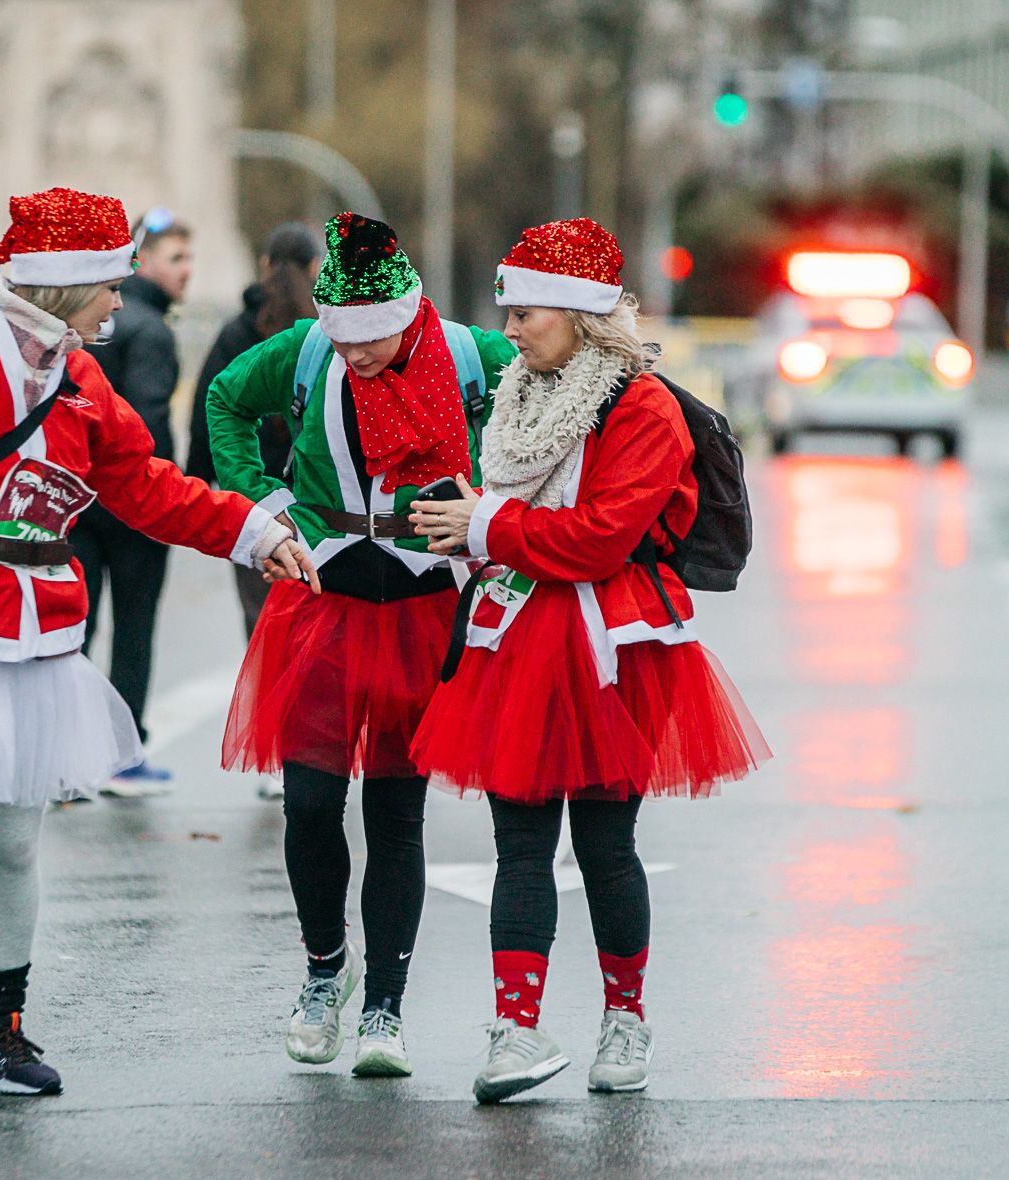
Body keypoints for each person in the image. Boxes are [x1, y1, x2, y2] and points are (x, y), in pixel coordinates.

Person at [0, 187, 317, 1117]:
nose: (121, 301)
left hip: (41, 633)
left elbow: (147, 485)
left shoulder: (80, 378)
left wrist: (249, 530)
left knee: (16, 845)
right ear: (66, 285)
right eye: (110, 285)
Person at [408, 218, 769, 1104]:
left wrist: (489, 526)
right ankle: (516, 1031)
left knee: (608, 846)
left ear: (579, 314)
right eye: (510, 309)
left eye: (528, 309)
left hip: (614, 645)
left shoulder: (645, 408)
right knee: (519, 847)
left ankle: (625, 1019)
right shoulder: (519, 392)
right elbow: (518, 519)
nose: (513, 326)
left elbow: (606, 537)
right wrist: (470, 532)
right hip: (522, 635)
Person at [207, 212, 516, 1078]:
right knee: (308, 805)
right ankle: (322, 971)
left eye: (377, 338)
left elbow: (548, 403)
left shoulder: (468, 355)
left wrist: (496, 514)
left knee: (396, 814)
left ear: (407, 314)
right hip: (321, 602)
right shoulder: (309, 351)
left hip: (424, 610)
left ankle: (385, 1005)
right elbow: (226, 399)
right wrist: (260, 502)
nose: (361, 354)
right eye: (348, 339)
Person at [188, 220, 322, 800]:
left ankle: (273, 753)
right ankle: (312, 741)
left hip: (252, 502)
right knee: (314, 624)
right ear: (315, 268)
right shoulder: (324, 331)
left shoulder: (238, 329)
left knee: (262, 621)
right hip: (315, 502)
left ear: (265, 263)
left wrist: (201, 479)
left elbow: (210, 403)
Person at [72, 208, 194, 793]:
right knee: (134, 625)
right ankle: (123, 755)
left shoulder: (88, 323)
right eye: (177, 257)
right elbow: (148, 425)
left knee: (75, 627)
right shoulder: (152, 331)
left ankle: (65, 755)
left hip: (72, 499)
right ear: (141, 260)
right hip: (128, 503)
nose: (188, 270)